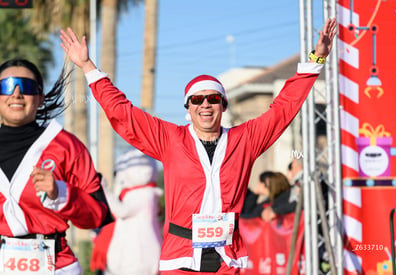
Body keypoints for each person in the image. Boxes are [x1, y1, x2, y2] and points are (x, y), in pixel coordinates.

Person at [59, 18, 337, 274]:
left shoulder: (246, 140)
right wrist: (88, 67)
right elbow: (123, 113)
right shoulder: (169, 139)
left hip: (229, 256)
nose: (205, 104)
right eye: (197, 100)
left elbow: (283, 108)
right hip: (180, 257)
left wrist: (316, 59)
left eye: (213, 99)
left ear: (223, 105)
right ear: (188, 108)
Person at [0, 58, 112, 274]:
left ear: (40, 98)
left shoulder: (66, 146)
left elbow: (98, 215)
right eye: (6, 86)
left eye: (26, 86)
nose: (16, 93)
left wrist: (60, 193)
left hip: (55, 265)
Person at [90, 149, 163, 275]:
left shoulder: (143, 195)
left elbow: (121, 211)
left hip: (138, 257)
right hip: (132, 255)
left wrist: (106, 189)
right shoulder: (138, 193)